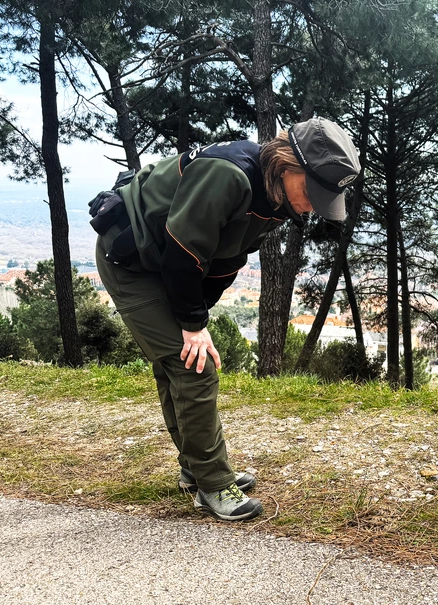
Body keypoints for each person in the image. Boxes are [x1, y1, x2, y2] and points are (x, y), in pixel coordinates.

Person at [90, 118, 361, 521]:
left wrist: (198, 310)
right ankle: (213, 484)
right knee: (193, 367)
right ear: (287, 164)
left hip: (170, 263)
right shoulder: (228, 175)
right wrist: (192, 326)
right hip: (133, 263)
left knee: (181, 364)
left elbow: (227, 259)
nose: (311, 206)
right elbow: (182, 253)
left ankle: (196, 469)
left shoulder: (276, 197)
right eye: (311, 192)